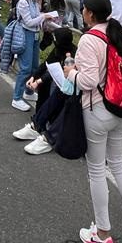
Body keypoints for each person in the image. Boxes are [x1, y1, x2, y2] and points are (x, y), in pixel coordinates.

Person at [64, 0, 122, 243]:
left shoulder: (89, 39)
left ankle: (103, 233)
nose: (82, 12)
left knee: (97, 170)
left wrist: (70, 72)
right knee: (119, 164)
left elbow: (88, 81)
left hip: (97, 109)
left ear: (90, 13)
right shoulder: (118, 31)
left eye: (84, 9)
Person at [13, 27, 77, 155]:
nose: (53, 42)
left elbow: (62, 74)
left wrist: (38, 81)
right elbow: (47, 65)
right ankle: (37, 125)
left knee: (56, 89)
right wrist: (34, 77)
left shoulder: (73, 54)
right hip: (66, 84)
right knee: (49, 86)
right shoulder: (58, 49)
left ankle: (48, 134)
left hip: (74, 88)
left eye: (55, 40)